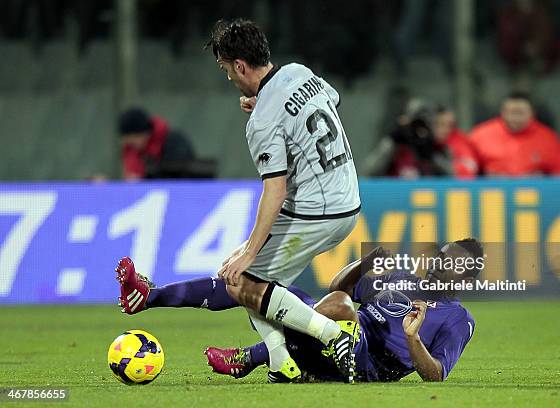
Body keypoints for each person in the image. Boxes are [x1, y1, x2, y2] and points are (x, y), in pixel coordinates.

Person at [117, 19, 361, 383]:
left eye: (225, 69)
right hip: (348, 198)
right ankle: (281, 363)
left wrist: (250, 250)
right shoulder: (299, 72)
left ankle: (333, 335)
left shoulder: (262, 121)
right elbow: (332, 101)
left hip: (317, 208)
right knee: (243, 277)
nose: (228, 77)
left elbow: (275, 190)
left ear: (240, 66)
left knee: (242, 278)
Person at [113, 240, 479, 383]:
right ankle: (150, 297)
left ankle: (258, 354)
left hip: (372, 364)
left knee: (323, 307)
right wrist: (365, 263)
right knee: (254, 285)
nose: (440, 262)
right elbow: (340, 289)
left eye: (452, 262)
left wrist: (413, 339)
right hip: (337, 336)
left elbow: (435, 375)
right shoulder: (402, 279)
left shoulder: (459, 320)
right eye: (442, 255)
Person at [469, 92, 560, 176]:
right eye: (511, 112)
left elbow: (559, 174)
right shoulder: (480, 135)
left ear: (532, 113)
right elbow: (467, 170)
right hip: (493, 191)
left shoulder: (547, 138)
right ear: (502, 112)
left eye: (520, 113)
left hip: (533, 192)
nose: (515, 118)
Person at [119, 107, 196, 180]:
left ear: (145, 133)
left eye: (133, 139)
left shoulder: (174, 143)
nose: (132, 145)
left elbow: (180, 173)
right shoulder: (131, 151)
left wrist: (143, 181)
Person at [432, 105, 478, 179]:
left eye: (450, 125)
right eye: (440, 124)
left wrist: (450, 165)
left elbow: (470, 170)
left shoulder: (458, 138)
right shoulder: (423, 140)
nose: (446, 129)